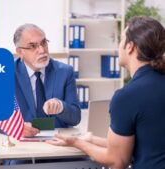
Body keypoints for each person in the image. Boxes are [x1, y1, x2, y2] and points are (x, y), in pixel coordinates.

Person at [47, 16, 165, 169]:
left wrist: (76, 142)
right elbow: (146, 144)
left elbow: (117, 160)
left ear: (130, 47)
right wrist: (92, 140)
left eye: (121, 40)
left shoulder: (127, 96)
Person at [13, 24, 81, 137]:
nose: (42, 50)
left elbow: (75, 118)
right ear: (20, 52)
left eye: (44, 43)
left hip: (58, 143)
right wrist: (15, 127)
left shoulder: (65, 72)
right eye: (33, 46)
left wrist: (61, 107)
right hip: (21, 144)